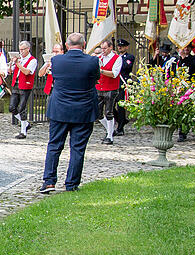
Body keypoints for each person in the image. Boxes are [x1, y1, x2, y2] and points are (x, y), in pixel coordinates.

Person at [40, 32, 100, 193]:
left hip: (60, 108)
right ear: (84, 44)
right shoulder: (93, 61)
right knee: (78, 148)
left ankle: (49, 181)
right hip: (83, 109)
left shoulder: (57, 60)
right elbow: (96, 78)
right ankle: (72, 183)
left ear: (67, 45)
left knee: (54, 145)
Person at [95, 38, 123, 145]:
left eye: (105, 48)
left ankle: (110, 136)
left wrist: (101, 71)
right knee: (98, 113)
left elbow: (114, 73)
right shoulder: (100, 57)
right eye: (102, 48)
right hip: (99, 88)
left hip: (111, 88)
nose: (103, 50)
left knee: (108, 112)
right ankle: (109, 131)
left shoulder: (117, 58)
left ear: (111, 47)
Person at [10, 40, 38, 139]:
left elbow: (27, 72)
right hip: (16, 84)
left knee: (22, 108)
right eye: (20, 50)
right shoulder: (19, 59)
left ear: (28, 49)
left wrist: (18, 64)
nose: (21, 52)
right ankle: (25, 124)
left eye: (23, 50)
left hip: (25, 85)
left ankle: (23, 132)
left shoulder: (32, 60)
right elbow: (10, 71)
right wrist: (11, 63)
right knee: (12, 107)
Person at [115, 38, 136, 136]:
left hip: (123, 84)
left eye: (122, 46)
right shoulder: (116, 57)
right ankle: (121, 120)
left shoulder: (129, 57)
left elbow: (124, 66)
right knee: (110, 106)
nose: (120, 47)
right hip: (115, 83)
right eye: (119, 46)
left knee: (121, 106)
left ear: (126, 47)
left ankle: (120, 128)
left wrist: (116, 59)